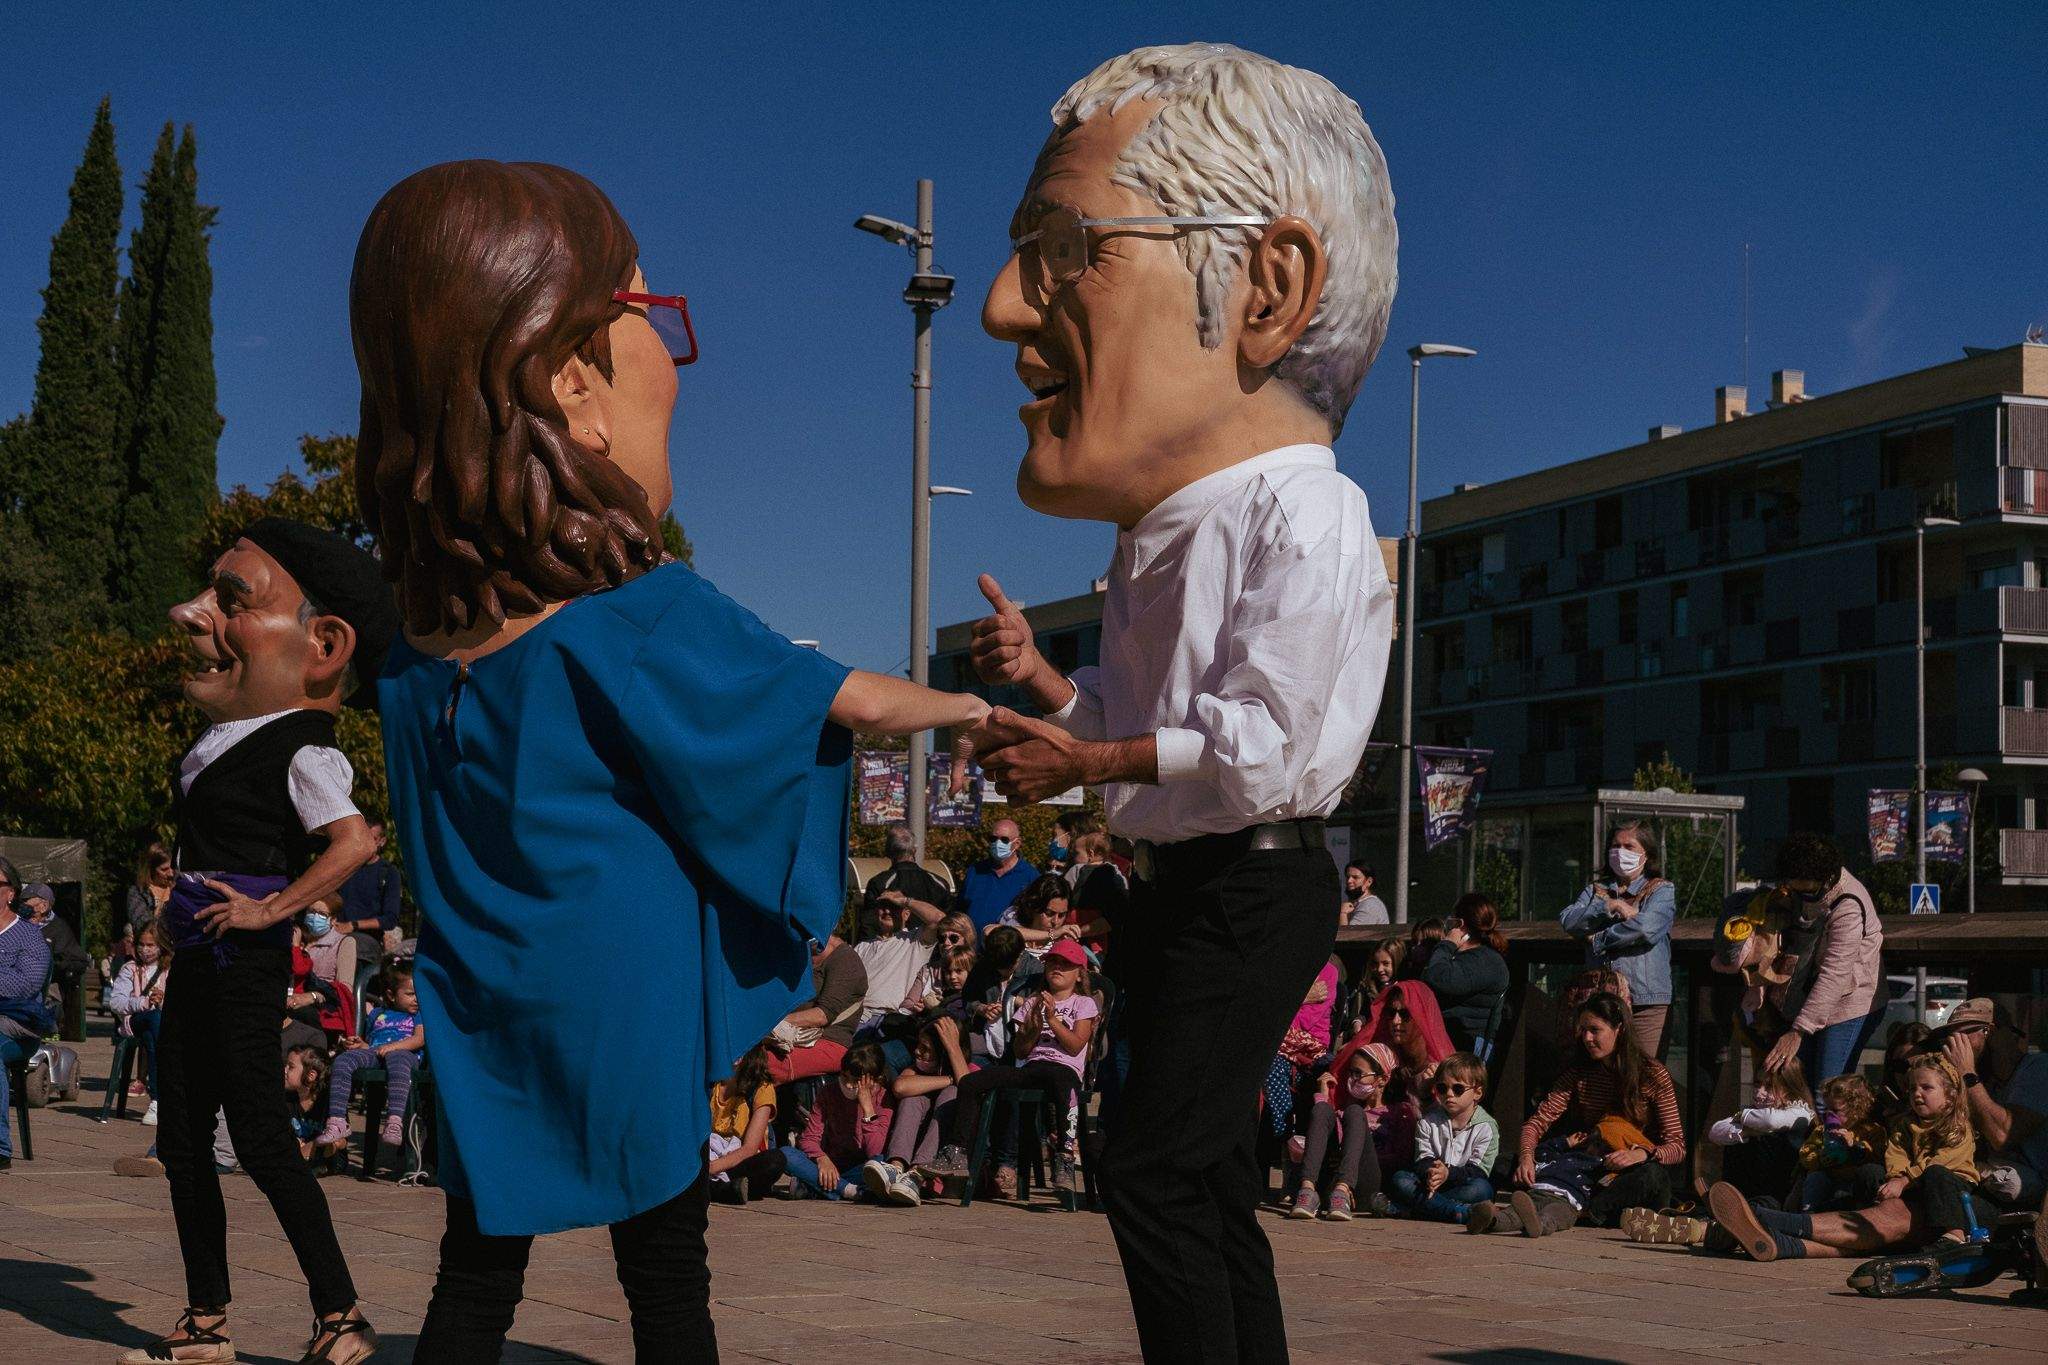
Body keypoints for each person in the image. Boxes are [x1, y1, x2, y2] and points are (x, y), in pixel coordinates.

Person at [352, 159, 994, 1360]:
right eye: (645, 311)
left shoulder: (408, 655)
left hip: (486, 993)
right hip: (623, 995)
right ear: (567, 376)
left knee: (476, 1271)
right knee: (664, 1270)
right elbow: (837, 702)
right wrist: (971, 700)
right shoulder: (635, 614)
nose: (670, 354)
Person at [966, 43, 1398, 1351]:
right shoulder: (1164, 531)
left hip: (1254, 881)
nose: (1002, 305)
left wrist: (1082, 766)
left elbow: (1258, 746)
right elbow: (1140, 714)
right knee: (1197, 1172)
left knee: (1150, 1166)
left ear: (1268, 289)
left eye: (1063, 250)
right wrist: (1049, 688)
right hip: (1189, 882)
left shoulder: (1309, 514)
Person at [128, 517, 394, 1365]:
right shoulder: (225, 738)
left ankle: (341, 1314)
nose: (190, 613)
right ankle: (206, 1319)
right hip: (199, 959)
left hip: (245, 963)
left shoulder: (302, 746)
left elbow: (353, 843)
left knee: (261, 1135)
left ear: (325, 646)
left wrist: (270, 907)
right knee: (181, 1139)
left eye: (230, 598)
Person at [1712, 1054, 1983, 1262]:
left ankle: (1764, 1218)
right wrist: (1897, 1177)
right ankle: (1783, 1244)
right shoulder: (1905, 1125)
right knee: (1869, 1210)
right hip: (1913, 1194)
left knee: (1883, 1219)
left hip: (1949, 1203)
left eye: (1926, 1088)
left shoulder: (1957, 1127)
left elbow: (1941, 1162)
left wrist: (1904, 1180)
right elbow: (1895, 1155)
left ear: (1950, 1097)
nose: (1916, 1094)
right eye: (1912, 1088)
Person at [1476, 992, 1685, 1236]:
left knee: (1652, 1177)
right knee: (1503, 1164)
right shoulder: (1578, 1072)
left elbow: (1677, 1146)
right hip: (1583, 1168)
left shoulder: (1652, 1074)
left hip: (1625, 1173)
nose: (1587, 1038)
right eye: (1583, 1030)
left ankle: (1577, 1211)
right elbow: (1536, 1123)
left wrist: (1641, 1154)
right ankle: (1546, 1208)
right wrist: (1526, 1159)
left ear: (1619, 1029)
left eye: (1595, 1030)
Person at [921, 938, 1099, 1198]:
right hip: (1032, 1066)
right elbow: (1020, 1051)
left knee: (1065, 1086)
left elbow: (1074, 1046)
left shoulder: (1083, 1003)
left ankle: (1064, 1156)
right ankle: (956, 1151)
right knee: (971, 1082)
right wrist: (1032, 1028)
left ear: (1079, 974)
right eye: (1052, 962)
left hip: (1064, 1068)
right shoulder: (1033, 1001)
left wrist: (1052, 1020)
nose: (1057, 968)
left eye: (1065, 964)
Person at [1757, 834, 1885, 1090]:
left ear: (1827, 880)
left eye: (1808, 892)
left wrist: (1798, 1031)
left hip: (1850, 1004)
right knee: (1796, 1087)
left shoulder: (1848, 905)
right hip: (1809, 1004)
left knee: (1827, 1090)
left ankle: (1833, 1120)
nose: (1801, 898)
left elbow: (1834, 975)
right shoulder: (1799, 893)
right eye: (1794, 891)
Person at [1559, 821, 1675, 1056]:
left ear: (1646, 854)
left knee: (1643, 1070)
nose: (1620, 852)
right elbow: (1569, 921)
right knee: (1601, 1071)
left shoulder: (1661, 890)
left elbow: (1646, 929)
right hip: (1601, 1001)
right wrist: (1608, 907)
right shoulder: (1596, 891)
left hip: (1646, 1000)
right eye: (1615, 846)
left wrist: (1599, 939)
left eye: (1629, 846)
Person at [1288, 1040, 1407, 1221]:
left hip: (1365, 1183)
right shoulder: (1342, 1113)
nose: (1353, 1078)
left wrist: (1350, 1158)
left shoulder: (1399, 1112)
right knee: (1324, 1109)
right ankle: (1307, 1190)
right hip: (1331, 1180)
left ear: (1382, 1079)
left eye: (1359, 1073)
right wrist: (1322, 1097)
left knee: (1355, 1112)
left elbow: (1401, 1158)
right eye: (1351, 1073)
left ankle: (1343, 1190)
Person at [316, 961, 424, 1155]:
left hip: (405, 1055)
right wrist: (360, 1045)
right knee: (343, 1060)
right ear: (391, 995)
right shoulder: (377, 1014)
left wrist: (393, 1047)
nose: (416, 999)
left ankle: (394, 1121)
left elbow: (419, 1039)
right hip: (377, 1053)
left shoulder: (419, 1015)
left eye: (418, 993)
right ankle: (337, 1121)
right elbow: (372, 1044)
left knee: (398, 1057)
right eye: (410, 994)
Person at [868, 1015, 974, 1207]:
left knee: (953, 1093)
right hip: (909, 1150)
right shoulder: (916, 1071)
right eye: (918, 1045)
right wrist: (948, 1079)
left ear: (943, 1052)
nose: (917, 1051)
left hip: (944, 1160)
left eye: (926, 1049)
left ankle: (917, 1174)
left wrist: (952, 1047)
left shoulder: (971, 1070)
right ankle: (896, 1167)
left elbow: (966, 1085)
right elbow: (900, 1087)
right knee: (912, 1098)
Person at [1389, 1052, 1500, 1224]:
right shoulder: (1428, 1122)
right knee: (1401, 1179)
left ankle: (1411, 1209)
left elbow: (1479, 1171)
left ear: (1477, 1092)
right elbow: (1422, 1159)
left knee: (1482, 1189)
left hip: (1461, 1185)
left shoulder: (1486, 1127)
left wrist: (1448, 1173)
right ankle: (1461, 1213)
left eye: (1458, 1089)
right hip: (1431, 1184)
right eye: (1442, 1088)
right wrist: (1432, 1172)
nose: (1449, 1094)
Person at [781, 1041, 894, 1201]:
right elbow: (809, 1138)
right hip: (831, 1165)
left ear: (875, 1080)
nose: (848, 1084)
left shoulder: (884, 1099)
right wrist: (821, 1158)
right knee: (786, 1154)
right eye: (844, 1077)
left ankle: (816, 1188)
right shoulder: (829, 1092)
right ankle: (850, 1190)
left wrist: (868, 1108)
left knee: (880, 1164)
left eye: (855, 1081)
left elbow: (875, 1151)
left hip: (861, 1168)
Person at [0, 857, 54, 1173]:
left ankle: (0, 1147)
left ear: (11, 893)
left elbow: (25, 985)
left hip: (16, 1026)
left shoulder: (28, 936)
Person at [1704, 1057, 1815, 1200]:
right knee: (1738, 1143)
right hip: (1748, 1187)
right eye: (1757, 1084)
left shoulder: (1800, 1112)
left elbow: (1770, 1120)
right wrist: (1747, 1131)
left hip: (1777, 1194)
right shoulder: (1754, 1114)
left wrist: (1742, 1116)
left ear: (1788, 1089)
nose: (1759, 1093)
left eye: (1769, 1087)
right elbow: (1715, 1132)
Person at [766, 935, 869, 1083]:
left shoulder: (846, 961)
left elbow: (821, 1016)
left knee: (762, 1063)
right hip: (790, 1036)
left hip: (828, 1041)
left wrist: (771, 1024)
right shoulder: (800, 951)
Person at [851, 876, 947, 1029]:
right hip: (855, 1016)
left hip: (890, 1019)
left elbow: (939, 919)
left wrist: (904, 901)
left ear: (906, 914)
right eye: (883, 907)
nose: (887, 911)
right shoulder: (862, 947)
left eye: (894, 907)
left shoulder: (915, 940)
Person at [1424, 893, 1510, 1055]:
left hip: (1465, 1049)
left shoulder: (1485, 961)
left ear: (1459, 924)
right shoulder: (1471, 958)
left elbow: (1438, 977)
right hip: (1450, 1040)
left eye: (1451, 920)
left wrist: (1447, 943)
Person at [706, 1043, 786, 1206]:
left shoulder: (762, 1088)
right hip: (705, 1153)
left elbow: (749, 1148)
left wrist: (713, 1167)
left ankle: (719, 1188)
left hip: (736, 1160)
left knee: (775, 1161)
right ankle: (724, 1190)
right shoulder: (710, 1080)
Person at [109, 924, 171, 1126]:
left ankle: (157, 1100)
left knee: (152, 1037)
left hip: (161, 1026)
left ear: (161, 946)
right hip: (136, 1021)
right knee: (153, 1021)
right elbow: (116, 1003)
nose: (146, 949)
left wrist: (162, 999)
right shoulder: (130, 969)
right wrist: (143, 1002)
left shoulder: (170, 969)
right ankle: (159, 1098)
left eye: (151, 945)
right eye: (142, 945)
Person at [1361, 981, 1456, 1105]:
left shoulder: (1441, 1064)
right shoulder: (1386, 1053)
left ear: (1422, 1017)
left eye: (1405, 1014)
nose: (1395, 1021)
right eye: (1391, 1013)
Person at [332, 819, 402, 974]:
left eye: (372, 838)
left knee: (352, 952)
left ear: (381, 841)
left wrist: (353, 925)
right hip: (334, 934)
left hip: (365, 942)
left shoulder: (388, 873)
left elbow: (390, 919)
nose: (365, 843)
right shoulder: (343, 867)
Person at [955, 819, 1038, 933]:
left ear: (1017, 843)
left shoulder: (1030, 877)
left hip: (1008, 942)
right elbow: (960, 910)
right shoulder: (975, 871)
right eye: (993, 839)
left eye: (1004, 840)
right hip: (972, 942)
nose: (998, 844)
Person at [22, 884, 88, 1025]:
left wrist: (53, 967)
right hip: (19, 983)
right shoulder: (18, 924)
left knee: (49, 1003)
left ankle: (48, 1027)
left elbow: (79, 961)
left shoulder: (59, 929)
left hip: (47, 987)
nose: (22, 907)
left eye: (27, 902)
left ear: (43, 906)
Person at [862, 822, 953, 917]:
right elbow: (949, 920)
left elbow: (869, 921)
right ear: (914, 850)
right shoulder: (940, 884)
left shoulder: (879, 883)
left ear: (888, 851)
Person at [284, 1045, 329, 1162]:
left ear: (310, 1075)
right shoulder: (285, 1098)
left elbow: (341, 1142)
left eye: (290, 1067)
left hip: (324, 1162)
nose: (284, 1070)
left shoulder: (329, 1102)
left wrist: (310, 1146)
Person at [126, 843, 175, 939]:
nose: (171, 874)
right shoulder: (138, 892)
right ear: (151, 870)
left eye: (172, 868)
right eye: (164, 869)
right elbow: (142, 924)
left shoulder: (180, 887)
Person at [1343, 862, 1388, 927]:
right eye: (1347, 877)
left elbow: (1348, 933)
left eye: (1355, 877)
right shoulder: (1358, 903)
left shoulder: (1370, 905)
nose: (1349, 881)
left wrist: (1342, 913)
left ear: (1369, 881)